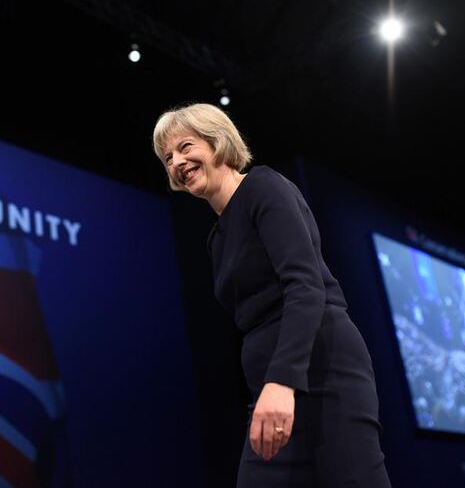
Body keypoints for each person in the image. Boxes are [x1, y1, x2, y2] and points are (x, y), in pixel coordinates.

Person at [152, 103, 391, 487]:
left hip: (322, 368)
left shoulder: (263, 187)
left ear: (217, 141)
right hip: (270, 385)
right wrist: (270, 384)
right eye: (167, 157)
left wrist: (282, 382)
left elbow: (305, 286)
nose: (176, 161)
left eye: (185, 146)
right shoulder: (216, 239)